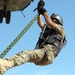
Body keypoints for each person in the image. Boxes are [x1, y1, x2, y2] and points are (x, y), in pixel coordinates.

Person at [0, 1, 66, 74]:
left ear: (57, 21)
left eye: (53, 20)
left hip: (48, 53)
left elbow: (49, 22)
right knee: (24, 57)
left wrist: (43, 10)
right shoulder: (49, 30)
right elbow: (40, 23)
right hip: (45, 56)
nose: (52, 21)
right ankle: (4, 64)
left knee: (25, 54)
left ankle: (3, 65)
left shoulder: (61, 29)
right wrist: (39, 13)